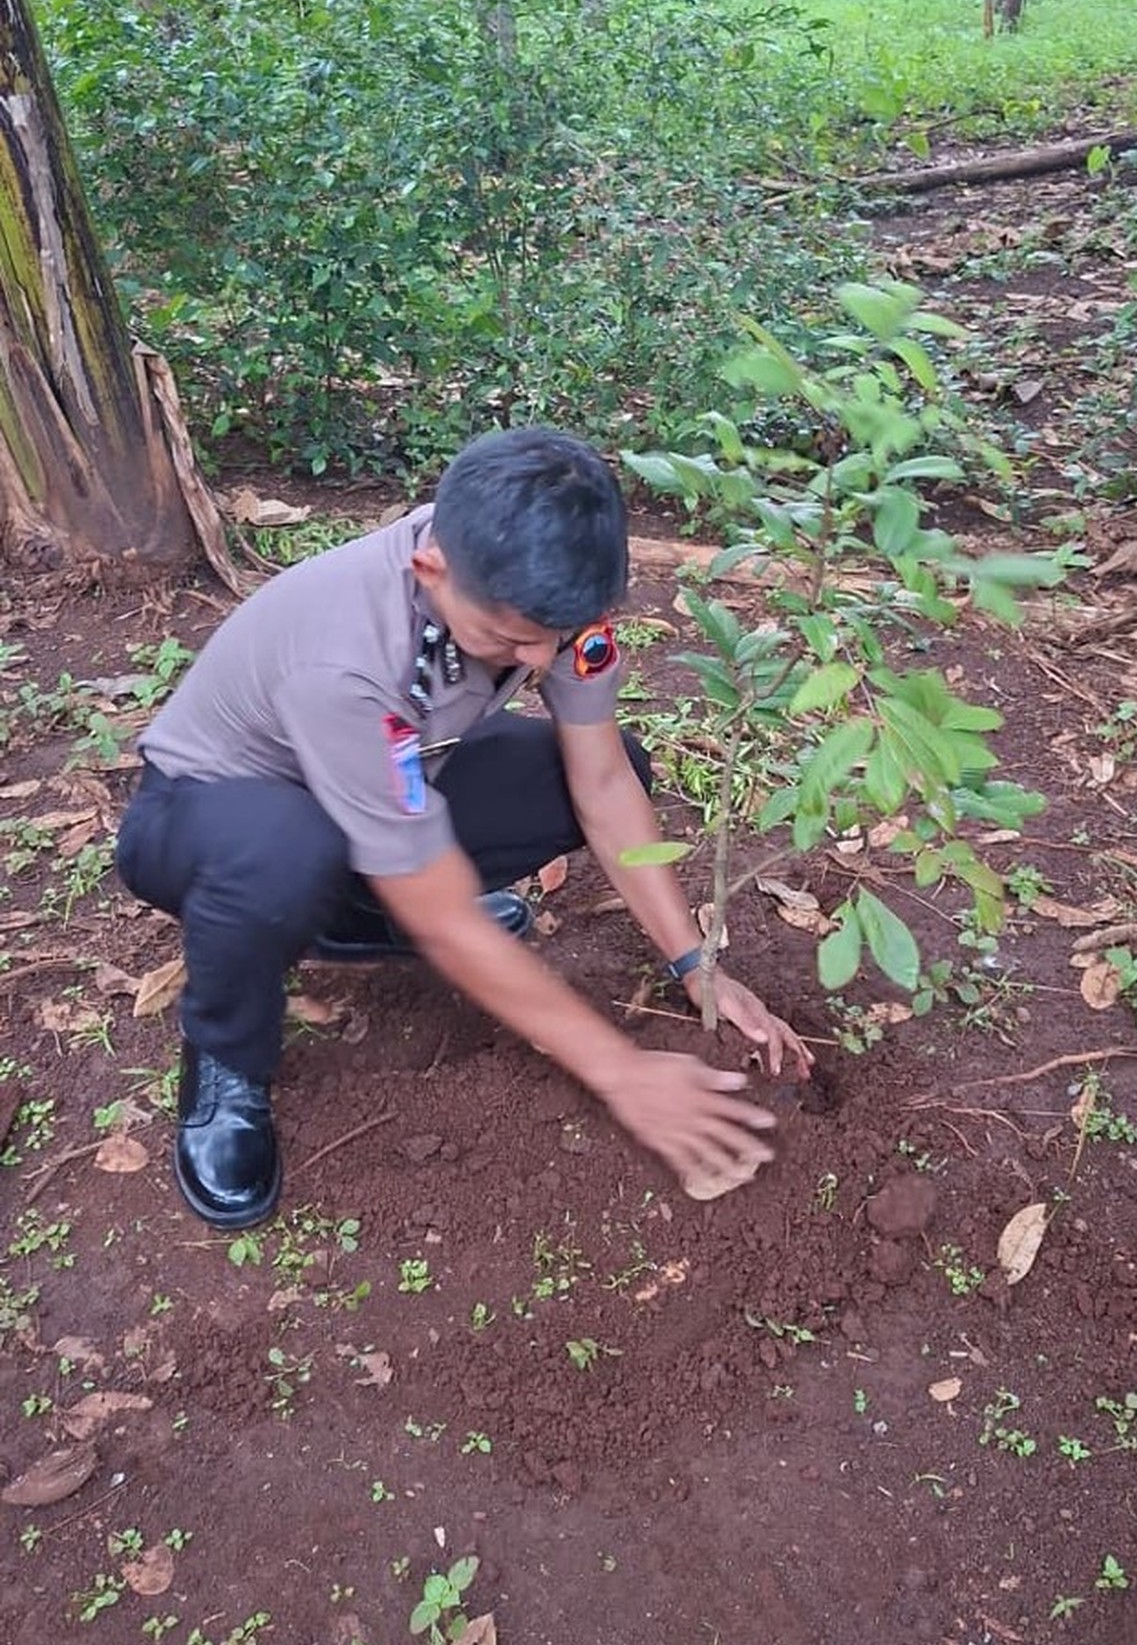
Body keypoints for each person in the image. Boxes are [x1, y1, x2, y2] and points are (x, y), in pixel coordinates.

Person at [116, 427, 812, 1230]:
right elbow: (443, 915)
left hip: (371, 784)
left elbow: (602, 781)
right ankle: (226, 1055)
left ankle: (352, 915)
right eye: (512, 639)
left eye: (555, 636)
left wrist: (695, 963)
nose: (539, 658)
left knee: (601, 763)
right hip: (204, 815)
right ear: (431, 572)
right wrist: (620, 1072)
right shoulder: (344, 658)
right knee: (286, 851)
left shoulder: (554, 599)